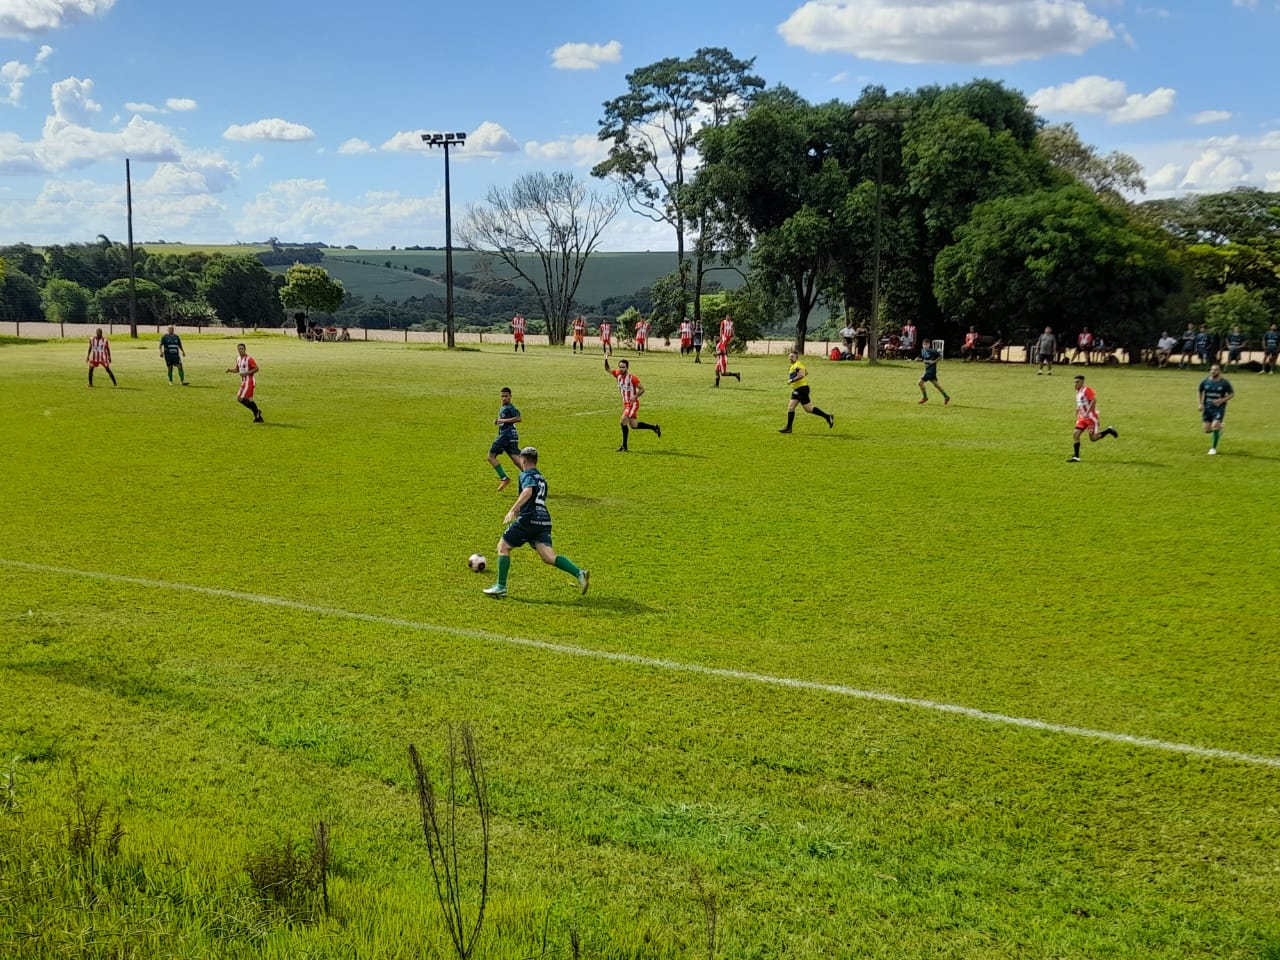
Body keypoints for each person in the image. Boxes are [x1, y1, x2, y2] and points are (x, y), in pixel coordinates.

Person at [482, 446, 589, 599]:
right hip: (544, 519)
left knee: (503, 546)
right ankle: (579, 573)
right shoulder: (542, 478)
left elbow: (528, 492)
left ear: (523, 460)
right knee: (548, 557)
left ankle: (500, 587)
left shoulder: (526, 474)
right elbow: (536, 498)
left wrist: (514, 509)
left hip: (529, 519)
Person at [604, 355, 660, 451]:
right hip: (626, 404)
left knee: (622, 421)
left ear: (627, 368)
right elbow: (607, 369)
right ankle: (654, 427)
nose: (621, 369)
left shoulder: (632, 378)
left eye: (623, 367)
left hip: (632, 404)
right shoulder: (617, 374)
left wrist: (635, 396)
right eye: (620, 367)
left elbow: (642, 389)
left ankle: (624, 446)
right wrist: (605, 359)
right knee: (634, 425)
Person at [779, 350, 834, 433]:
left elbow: (802, 375)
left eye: (792, 357)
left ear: (796, 358)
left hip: (802, 389)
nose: (790, 358)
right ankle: (788, 428)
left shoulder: (797, 365)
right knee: (791, 407)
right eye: (789, 357)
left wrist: (792, 380)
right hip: (797, 389)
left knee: (808, 409)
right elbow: (806, 372)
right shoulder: (795, 365)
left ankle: (827, 416)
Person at [1066, 375, 1118, 461]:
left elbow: (1093, 400)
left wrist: (1087, 412)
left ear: (1082, 382)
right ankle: (1076, 457)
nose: (1075, 384)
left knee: (1093, 438)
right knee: (1075, 434)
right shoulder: (1078, 392)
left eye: (1077, 382)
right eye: (1074, 382)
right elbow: (1081, 404)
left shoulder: (1087, 390)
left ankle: (1109, 430)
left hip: (1091, 419)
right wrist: (1078, 409)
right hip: (1082, 418)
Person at [487, 387, 523, 492]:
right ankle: (533, 477)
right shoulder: (504, 407)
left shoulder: (510, 407)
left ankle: (504, 478)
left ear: (510, 396)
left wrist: (501, 420)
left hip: (505, 436)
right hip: (510, 436)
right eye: (502, 396)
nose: (504, 398)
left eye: (506, 396)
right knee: (516, 460)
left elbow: (518, 418)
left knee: (491, 456)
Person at [1199, 363, 1234, 455]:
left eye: (1215, 370)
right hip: (1207, 408)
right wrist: (1200, 404)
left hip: (1219, 408)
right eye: (1212, 369)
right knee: (1206, 430)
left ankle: (1213, 448)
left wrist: (1222, 400)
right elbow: (1200, 391)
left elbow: (1231, 394)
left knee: (1214, 426)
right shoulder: (1205, 381)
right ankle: (1220, 428)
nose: (1213, 371)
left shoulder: (1224, 383)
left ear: (1219, 371)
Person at [226, 343, 263, 423]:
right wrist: (230, 370)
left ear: (245, 349)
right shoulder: (238, 359)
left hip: (249, 381)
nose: (240, 350)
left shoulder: (249, 359)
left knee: (240, 398)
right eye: (239, 349)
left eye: (242, 349)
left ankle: (257, 412)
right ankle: (258, 416)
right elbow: (237, 370)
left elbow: (256, 368)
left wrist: (247, 373)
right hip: (244, 382)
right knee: (249, 400)